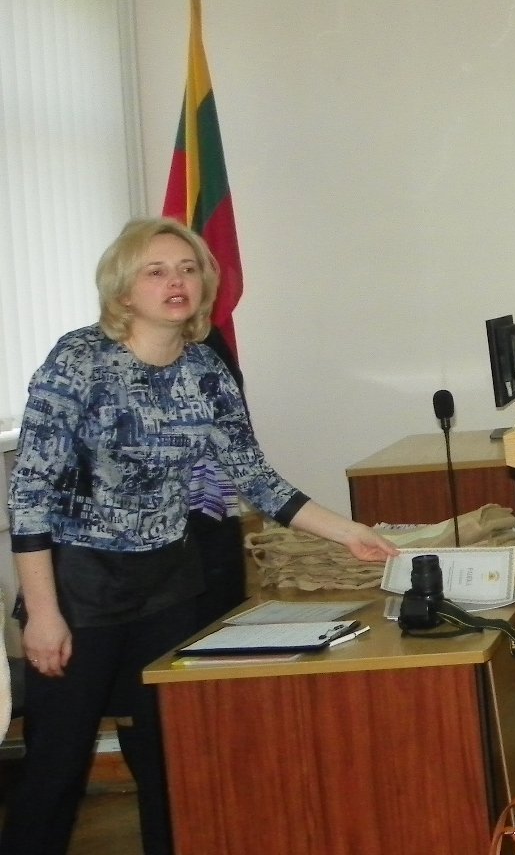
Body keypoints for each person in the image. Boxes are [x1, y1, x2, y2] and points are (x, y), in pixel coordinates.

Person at [4, 218, 400, 855]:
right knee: (57, 769)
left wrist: (350, 532)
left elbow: (255, 479)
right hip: (79, 591)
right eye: (156, 271)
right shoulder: (79, 359)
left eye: (187, 269)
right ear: (124, 289)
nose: (177, 282)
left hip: (168, 589)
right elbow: (30, 494)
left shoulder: (206, 370)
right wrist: (44, 614)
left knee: (174, 763)